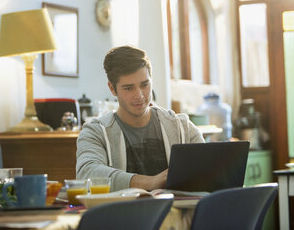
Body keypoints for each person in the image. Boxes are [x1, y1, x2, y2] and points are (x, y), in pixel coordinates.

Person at [76, 46, 204, 191]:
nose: (140, 95)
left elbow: (208, 168)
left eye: (144, 85)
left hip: (174, 211)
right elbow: (86, 173)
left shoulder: (182, 127)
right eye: (128, 88)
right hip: (124, 212)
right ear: (112, 89)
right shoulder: (95, 132)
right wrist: (147, 182)